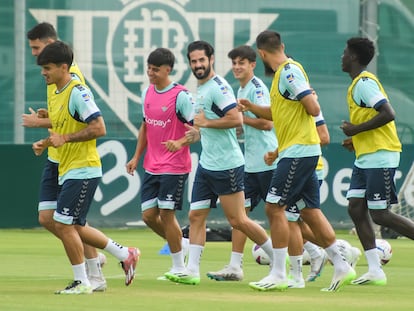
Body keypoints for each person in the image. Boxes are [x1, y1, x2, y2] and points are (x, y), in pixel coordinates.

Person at [239, 30, 355, 292]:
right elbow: (277, 112)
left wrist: (310, 98)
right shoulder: (282, 76)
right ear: (282, 45)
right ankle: (341, 264)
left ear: (261, 54)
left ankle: (279, 273)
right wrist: (251, 106)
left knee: (273, 208)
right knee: (309, 212)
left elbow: (312, 108)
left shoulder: (289, 72)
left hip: (299, 151)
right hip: (297, 151)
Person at [34, 41, 140, 294]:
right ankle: (122, 255)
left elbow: (99, 127)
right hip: (66, 168)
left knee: (64, 224)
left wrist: (66, 139)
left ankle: (83, 281)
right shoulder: (58, 93)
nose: (43, 72)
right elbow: (64, 131)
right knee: (67, 223)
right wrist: (46, 142)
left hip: (83, 169)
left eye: (47, 68)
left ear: (63, 67)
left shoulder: (77, 92)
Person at [164, 40, 273, 286]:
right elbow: (203, 128)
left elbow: (235, 119)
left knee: (238, 221)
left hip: (227, 164)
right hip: (207, 164)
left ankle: (278, 260)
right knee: (196, 215)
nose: (198, 64)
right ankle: (191, 271)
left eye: (202, 60)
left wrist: (207, 124)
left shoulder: (219, 87)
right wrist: (183, 140)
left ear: (211, 60)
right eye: (193, 61)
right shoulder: (200, 89)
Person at [22, 22, 107, 291]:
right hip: (59, 156)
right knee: (54, 220)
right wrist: (48, 130)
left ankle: (98, 268)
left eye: (37, 49)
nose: (35, 56)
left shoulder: (73, 80)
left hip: (75, 160)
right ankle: (95, 265)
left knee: (68, 222)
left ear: (51, 47)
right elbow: (64, 118)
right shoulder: (52, 77)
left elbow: (89, 123)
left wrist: (44, 128)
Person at [340, 37, 414, 286]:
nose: (341, 56)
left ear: (353, 57)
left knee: (380, 214)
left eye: (344, 52)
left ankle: (375, 269)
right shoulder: (356, 84)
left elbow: (388, 113)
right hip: (366, 156)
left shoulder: (364, 83)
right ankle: (374, 269)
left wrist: (355, 129)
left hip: (381, 155)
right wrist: (356, 137)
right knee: (355, 207)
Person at [205, 45, 277, 282]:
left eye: (241, 63)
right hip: (250, 164)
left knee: (285, 216)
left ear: (253, 65)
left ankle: (316, 253)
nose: (236, 67)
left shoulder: (257, 89)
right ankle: (235, 266)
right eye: (234, 63)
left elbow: (268, 123)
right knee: (239, 216)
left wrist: (240, 118)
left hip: (267, 163)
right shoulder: (240, 89)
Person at [126, 48, 193, 278]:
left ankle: (179, 268)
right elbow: (145, 126)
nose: (150, 73)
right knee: (148, 216)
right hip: (151, 165)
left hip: (174, 166)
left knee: (166, 214)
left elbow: (197, 131)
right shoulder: (147, 92)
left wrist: (180, 141)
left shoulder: (181, 96)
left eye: (155, 69)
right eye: (149, 68)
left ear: (168, 70)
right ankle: (180, 243)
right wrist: (136, 156)